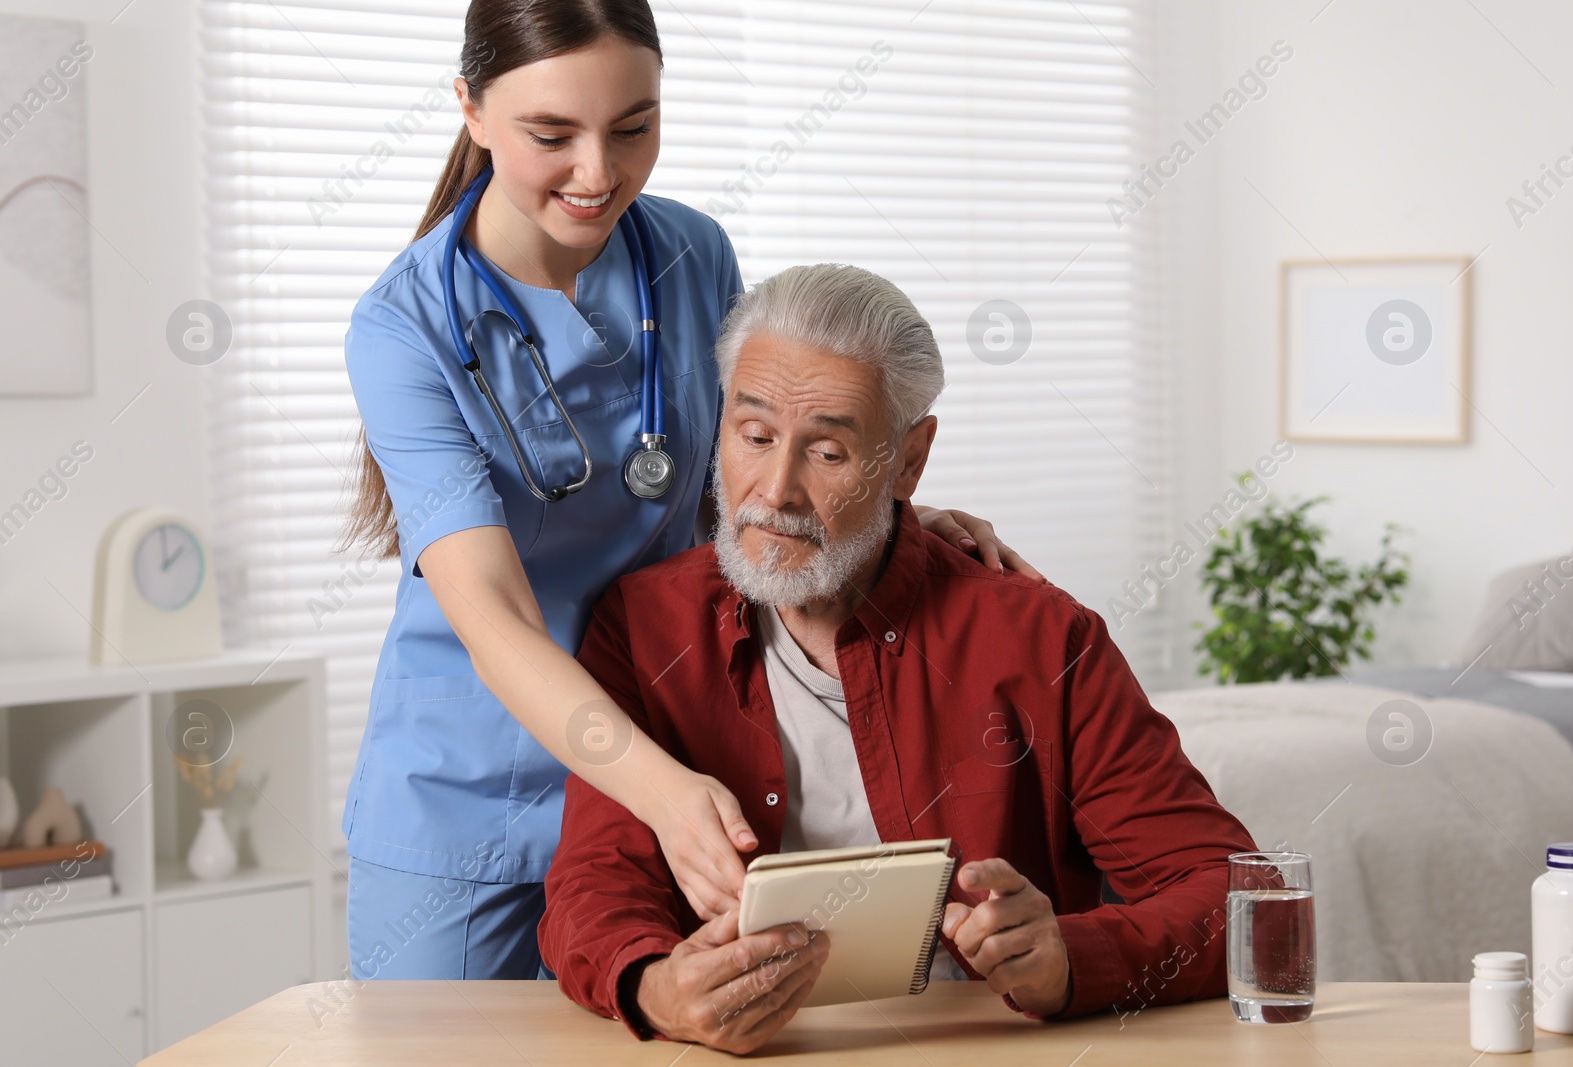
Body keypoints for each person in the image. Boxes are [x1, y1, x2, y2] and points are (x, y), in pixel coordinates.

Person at [335, 0, 1036, 982]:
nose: (598, 173)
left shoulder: (690, 253)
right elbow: (491, 612)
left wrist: (887, 522)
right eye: (552, 135)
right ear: (470, 108)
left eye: (634, 128)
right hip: (477, 799)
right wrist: (662, 792)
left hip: (671, 751)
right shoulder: (402, 327)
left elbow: (748, 488)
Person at [538, 263, 1259, 1053]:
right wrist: (653, 987)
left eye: (829, 452)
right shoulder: (644, 625)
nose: (774, 490)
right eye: (754, 437)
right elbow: (593, 886)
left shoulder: (1043, 639)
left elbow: (1235, 893)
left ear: (909, 461)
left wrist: (1069, 958)